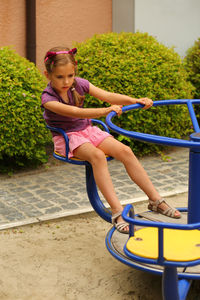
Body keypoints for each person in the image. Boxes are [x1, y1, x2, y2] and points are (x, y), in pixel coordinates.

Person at [41, 46, 181, 234]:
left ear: (75, 72)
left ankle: (155, 200)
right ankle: (117, 212)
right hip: (67, 138)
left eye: (70, 75)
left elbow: (107, 96)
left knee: (125, 151)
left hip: (87, 130)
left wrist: (134, 100)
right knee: (97, 156)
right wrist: (105, 111)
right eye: (60, 77)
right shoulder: (47, 98)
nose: (66, 81)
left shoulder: (79, 84)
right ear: (47, 75)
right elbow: (76, 112)